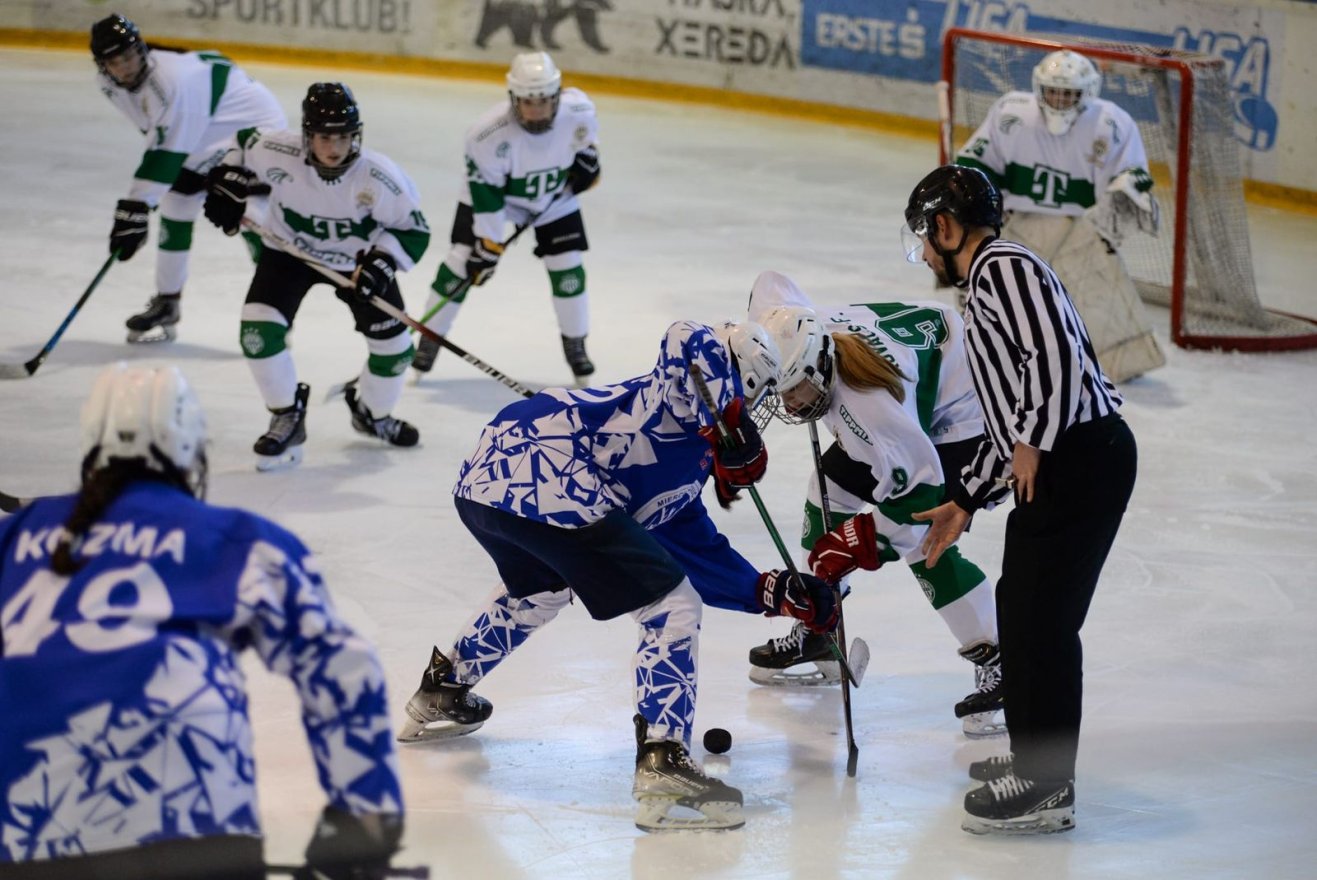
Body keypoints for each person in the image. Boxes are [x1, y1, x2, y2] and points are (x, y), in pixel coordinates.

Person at [396, 320, 841, 832]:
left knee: (540, 592)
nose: (762, 408)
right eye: (757, 394)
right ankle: (663, 760)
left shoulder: (694, 451)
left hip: (491, 483)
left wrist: (772, 591)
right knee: (671, 607)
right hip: (546, 470)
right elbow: (686, 337)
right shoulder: (676, 394)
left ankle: (444, 688)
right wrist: (728, 415)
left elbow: (688, 539)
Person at [0, 364, 403, 879]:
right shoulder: (235, 538)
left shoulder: (17, 536)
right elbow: (346, 674)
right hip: (195, 820)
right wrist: (359, 829)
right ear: (191, 448)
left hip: (26, 823)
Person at [903, 165, 1138, 835]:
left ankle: (1043, 785)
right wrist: (964, 498)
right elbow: (1008, 417)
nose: (922, 252)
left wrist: (1032, 441)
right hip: (1063, 460)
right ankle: (1032, 761)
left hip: (1081, 458)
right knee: (1023, 611)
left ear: (946, 228)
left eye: (924, 236)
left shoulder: (1004, 266)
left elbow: (1055, 358)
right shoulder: (982, 287)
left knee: (1040, 624)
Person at [739, 270, 1004, 739]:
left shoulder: (869, 405)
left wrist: (858, 541)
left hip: (969, 414)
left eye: (797, 390)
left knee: (926, 540)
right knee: (827, 491)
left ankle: (1003, 661)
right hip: (923, 379)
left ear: (821, 367)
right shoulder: (803, 332)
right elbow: (771, 283)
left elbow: (918, 495)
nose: (791, 405)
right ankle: (820, 629)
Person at [201, 82, 431, 470]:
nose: (334, 147)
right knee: (258, 334)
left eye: (343, 136)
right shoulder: (277, 149)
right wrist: (228, 175)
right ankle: (287, 415)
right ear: (307, 135)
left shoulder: (379, 176)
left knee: (395, 350)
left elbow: (414, 229)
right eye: (325, 136)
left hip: (356, 264)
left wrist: (382, 263)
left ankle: (372, 414)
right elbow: (239, 142)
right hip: (288, 254)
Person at [954, 48, 1165, 382]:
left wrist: (1116, 205)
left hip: (1080, 228)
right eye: (1052, 91)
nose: (1059, 100)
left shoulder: (1110, 123)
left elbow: (1134, 174)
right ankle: (991, 354)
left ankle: (1116, 362)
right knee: (998, 298)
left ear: (1088, 92)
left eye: (1069, 93)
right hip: (1014, 223)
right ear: (1038, 87)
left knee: (1102, 304)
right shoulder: (1012, 112)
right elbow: (974, 164)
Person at [90, 13, 287, 343]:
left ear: (141, 50)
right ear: (102, 65)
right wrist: (142, 205)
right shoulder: (108, 85)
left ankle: (278, 303)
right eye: (114, 61)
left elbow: (167, 148)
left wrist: (135, 208)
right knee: (176, 204)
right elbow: (159, 133)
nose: (124, 67)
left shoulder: (171, 81)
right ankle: (168, 302)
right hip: (203, 131)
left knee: (245, 211)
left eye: (128, 56)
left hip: (250, 129)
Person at [412, 51, 601, 384]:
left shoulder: (580, 112)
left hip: (553, 198)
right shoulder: (486, 135)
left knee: (568, 265)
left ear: (557, 95)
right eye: (528, 102)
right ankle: (428, 343)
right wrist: (488, 246)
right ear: (513, 98)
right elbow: (487, 198)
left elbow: (588, 156)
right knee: (461, 263)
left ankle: (576, 346)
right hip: (497, 198)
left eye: (543, 101)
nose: (535, 110)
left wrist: (589, 170)